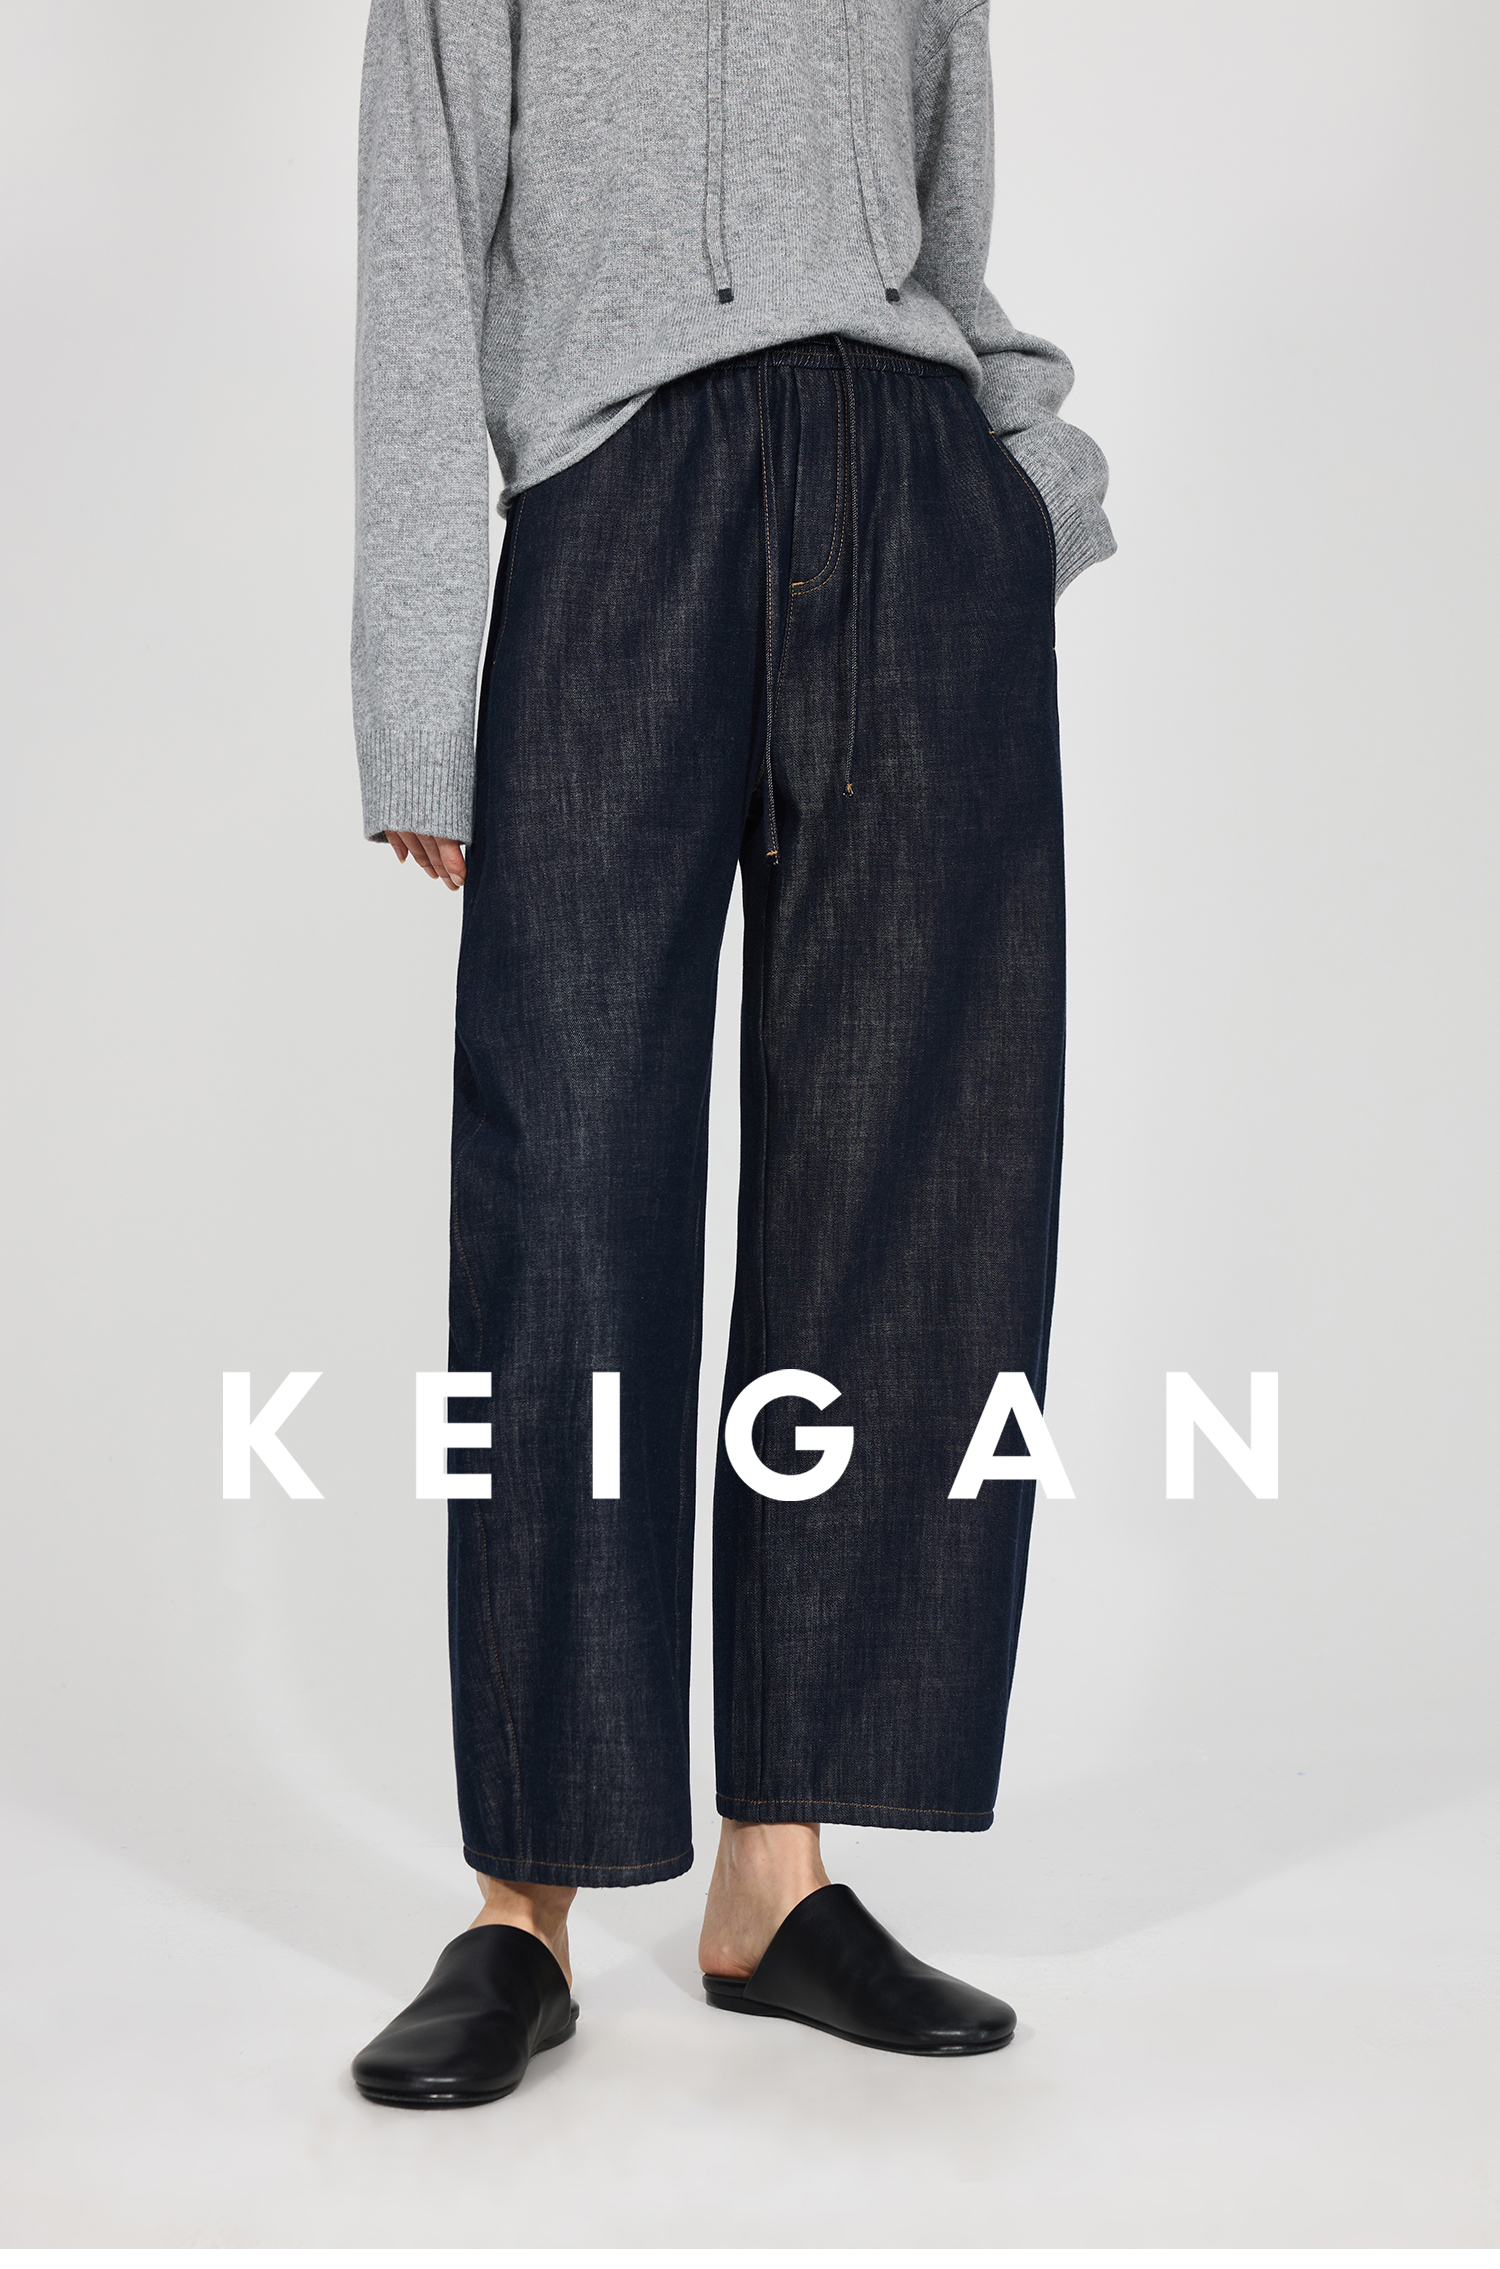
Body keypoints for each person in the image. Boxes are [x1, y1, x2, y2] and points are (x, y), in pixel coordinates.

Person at [348, 0, 1114, 2108]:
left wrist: (1022, 491)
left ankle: (780, 1871)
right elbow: (419, 254)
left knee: (909, 1191)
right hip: (622, 507)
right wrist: (423, 690)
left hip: (916, 510)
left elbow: (946, 225)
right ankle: (522, 1904)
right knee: (564, 1195)